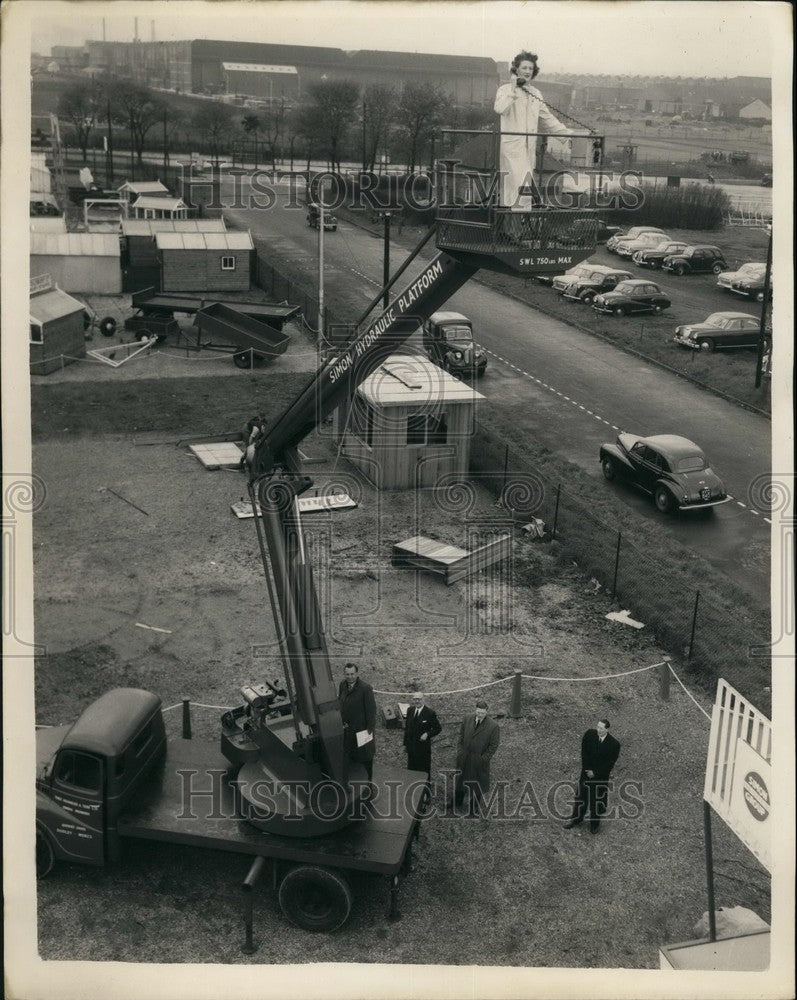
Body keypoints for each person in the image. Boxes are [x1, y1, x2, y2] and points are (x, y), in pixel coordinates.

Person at [493, 51, 573, 211]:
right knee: (521, 188)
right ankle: (513, 231)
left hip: (529, 150)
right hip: (512, 148)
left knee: (521, 191)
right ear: (516, 69)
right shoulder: (505, 90)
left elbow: (547, 118)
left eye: (531, 68)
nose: (528, 71)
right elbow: (499, 108)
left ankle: (514, 231)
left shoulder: (536, 93)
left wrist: (567, 134)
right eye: (524, 67)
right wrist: (514, 90)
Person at [564, 718, 621, 834]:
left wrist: (595, 773)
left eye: (601, 728)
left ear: (607, 729)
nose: (598, 730)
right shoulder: (589, 735)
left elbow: (609, 764)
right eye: (598, 727)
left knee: (596, 801)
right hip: (586, 774)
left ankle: (594, 825)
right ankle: (576, 819)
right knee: (581, 798)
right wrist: (587, 769)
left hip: (600, 777)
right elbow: (584, 753)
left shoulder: (614, 744)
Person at [453, 699, 500, 816]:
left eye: (482, 713)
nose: (480, 715)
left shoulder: (493, 726)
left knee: (476, 784)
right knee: (460, 780)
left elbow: (493, 745)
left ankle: (474, 809)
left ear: (486, 712)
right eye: (478, 712)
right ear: (475, 710)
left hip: (478, 760)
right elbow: (461, 736)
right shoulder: (467, 718)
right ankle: (457, 802)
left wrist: (484, 759)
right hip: (464, 757)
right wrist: (460, 751)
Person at [338, 662, 376, 781]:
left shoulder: (365, 688)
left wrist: (368, 731)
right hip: (348, 730)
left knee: (365, 757)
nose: (350, 677)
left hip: (362, 731)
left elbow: (371, 710)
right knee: (351, 756)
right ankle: (356, 780)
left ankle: (368, 782)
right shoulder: (343, 685)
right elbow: (341, 702)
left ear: (357, 673)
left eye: (352, 674)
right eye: (347, 674)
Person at [403, 691, 442, 781]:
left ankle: (425, 792)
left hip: (423, 749)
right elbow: (407, 728)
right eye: (415, 699)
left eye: (419, 699)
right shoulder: (410, 710)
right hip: (411, 748)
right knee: (411, 771)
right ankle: (412, 791)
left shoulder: (430, 713)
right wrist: (405, 744)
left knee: (423, 773)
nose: (417, 701)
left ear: (423, 700)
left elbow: (438, 728)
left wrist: (427, 734)